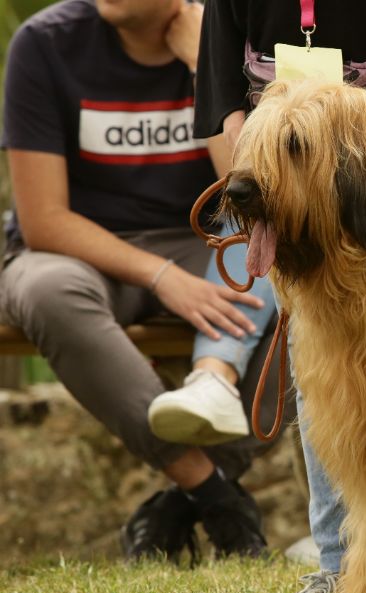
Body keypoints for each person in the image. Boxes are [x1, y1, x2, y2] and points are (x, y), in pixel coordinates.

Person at [167, 0, 366, 593]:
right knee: (330, 368)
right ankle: (342, 567)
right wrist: (254, 155)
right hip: (274, 131)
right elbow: (220, 52)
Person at [0, 0, 295, 562]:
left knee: (300, 289)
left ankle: (180, 504)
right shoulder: (45, 44)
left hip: (205, 245)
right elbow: (43, 221)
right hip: (78, 254)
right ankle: (213, 494)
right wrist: (160, 278)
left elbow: (253, 191)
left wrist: (200, 66)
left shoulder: (231, 36)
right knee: (43, 291)